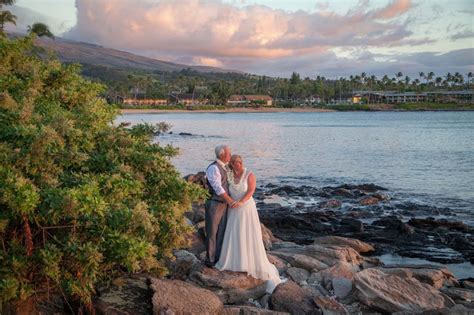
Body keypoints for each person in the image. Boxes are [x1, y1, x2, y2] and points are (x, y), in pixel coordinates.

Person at [215, 154, 282, 293]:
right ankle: (235, 261)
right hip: (233, 209)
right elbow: (222, 188)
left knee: (248, 234)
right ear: (232, 164)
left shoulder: (249, 174)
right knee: (235, 233)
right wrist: (230, 202)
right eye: (235, 162)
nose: (238, 164)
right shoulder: (229, 175)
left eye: (240, 162)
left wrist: (241, 202)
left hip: (246, 208)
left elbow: (251, 191)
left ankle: (249, 263)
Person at [204, 145, 235, 267]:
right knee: (212, 232)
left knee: (222, 232)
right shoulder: (213, 168)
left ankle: (218, 259)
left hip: (224, 204)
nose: (230, 155)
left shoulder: (225, 167)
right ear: (222, 155)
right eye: (229, 153)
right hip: (215, 203)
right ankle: (210, 260)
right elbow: (217, 187)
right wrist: (230, 201)